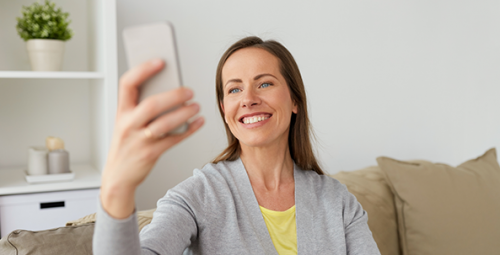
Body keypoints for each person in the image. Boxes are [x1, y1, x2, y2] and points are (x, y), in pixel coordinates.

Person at [94, 36, 380, 255]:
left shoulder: (338, 201)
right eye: (234, 89)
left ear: (294, 100)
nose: (248, 99)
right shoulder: (197, 196)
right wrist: (118, 188)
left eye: (265, 84)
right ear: (224, 110)